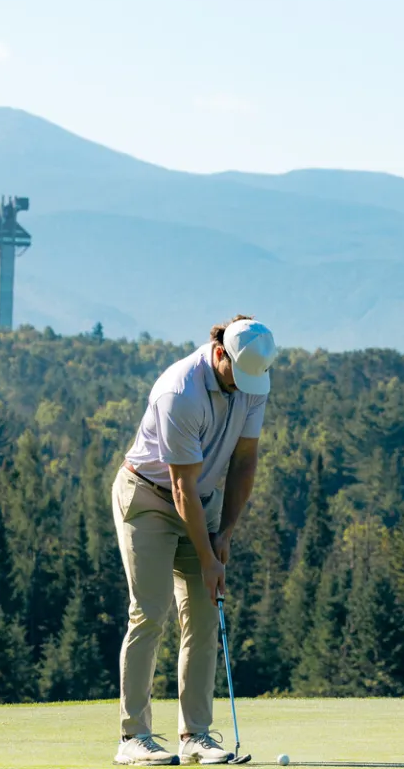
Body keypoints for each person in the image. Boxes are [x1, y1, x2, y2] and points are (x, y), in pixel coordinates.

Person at [112, 317, 276, 766]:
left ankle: (196, 736)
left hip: (201, 500)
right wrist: (208, 558)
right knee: (150, 611)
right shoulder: (179, 391)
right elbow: (181, 486)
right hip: (148, 497)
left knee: (204, 615)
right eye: (235, 375)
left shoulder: (253, 379)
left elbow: (245, 461)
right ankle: (133, 737)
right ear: (220, 352)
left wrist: (225, 534)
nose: (241, 387)